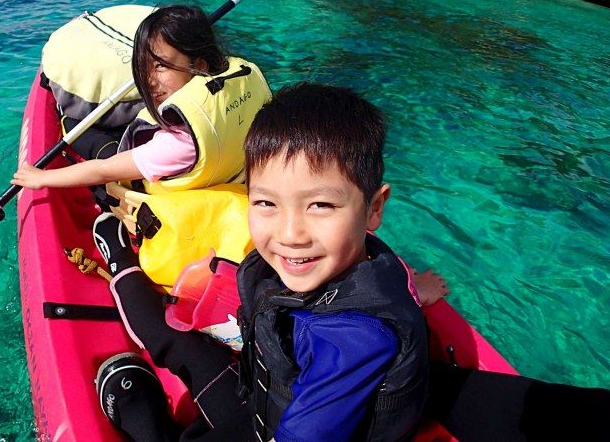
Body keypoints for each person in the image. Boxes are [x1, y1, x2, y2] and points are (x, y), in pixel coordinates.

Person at [93, 82, 430, 441]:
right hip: (266, 399)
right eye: (266, 203)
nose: (290, 234)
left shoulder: (352, 341)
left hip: (276, 426)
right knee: (182, 336)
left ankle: (147, 423)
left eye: (321, 205)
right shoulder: (357, 257)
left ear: (373, 208)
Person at [12, 4, 272, 270]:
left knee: (86, 133)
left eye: (160, 66)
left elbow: (103, 171)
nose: (148, 80)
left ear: (200, 65)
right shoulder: (240, 81)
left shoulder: (178, 145)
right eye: (144, 67)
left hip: (169, 207)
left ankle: (69, 123)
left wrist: (41, 178)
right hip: (222, 176)